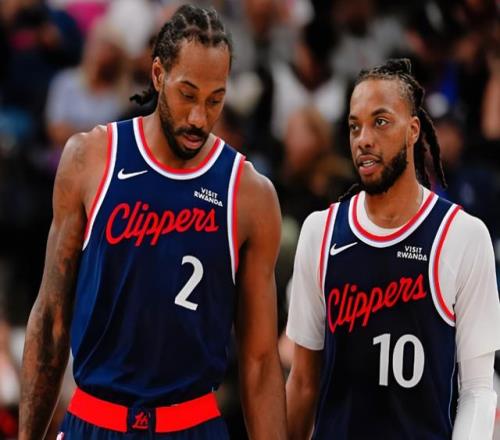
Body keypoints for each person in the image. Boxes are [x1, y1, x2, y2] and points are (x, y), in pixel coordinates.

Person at [19, 5, 286, 439]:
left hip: (192, 425)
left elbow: (259, 362)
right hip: (96, 421)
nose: (199, 117)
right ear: (159, 75)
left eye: (215, 100)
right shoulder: (91, 159)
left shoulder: (250, 194)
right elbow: (51, 319)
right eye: (188, 94)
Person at [286, 58, 500, 439]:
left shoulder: (463, 236)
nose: (364, 139)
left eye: (380, 122)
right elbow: (303, 382)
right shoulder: (320, 233)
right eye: (355, 126)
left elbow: (478, 390)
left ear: (413, 130)